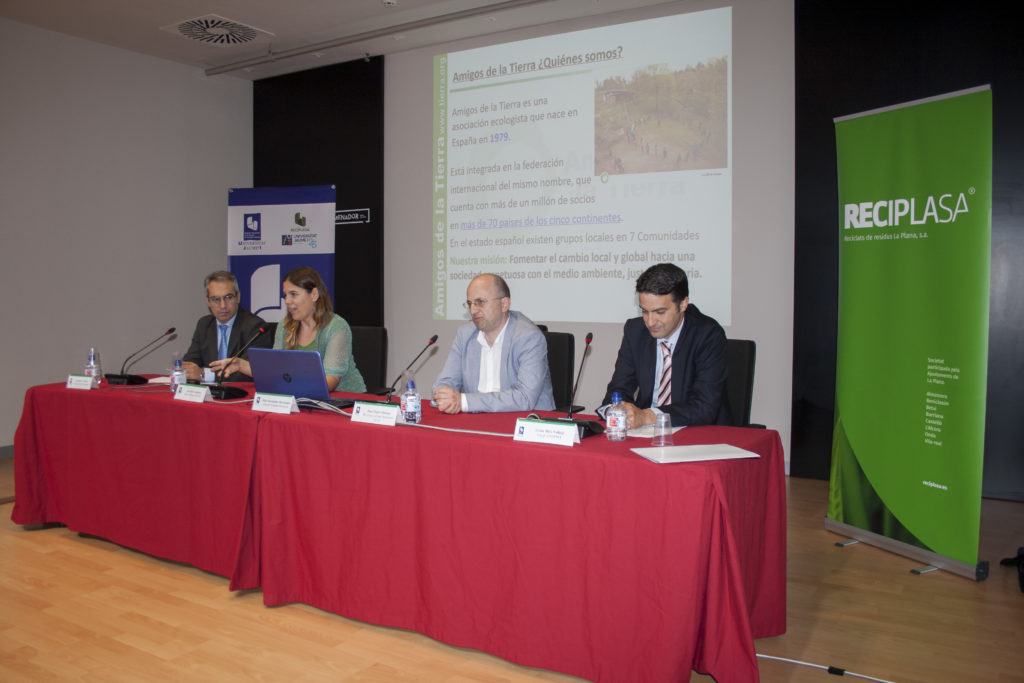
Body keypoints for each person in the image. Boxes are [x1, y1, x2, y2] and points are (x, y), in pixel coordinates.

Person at [601, 263, 730, 428]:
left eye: (660, 312)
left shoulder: (707, 334)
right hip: (645, 432)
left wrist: (648, 416)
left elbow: (704, 407)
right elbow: (618, 391)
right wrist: (616, 410)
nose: (650, 322)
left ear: (683, 304)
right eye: (644, 311)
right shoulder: (635, 331)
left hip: (698, 432)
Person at [211, 266, 366, 392]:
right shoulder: (285, 325)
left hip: (346, 401)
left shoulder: (336, 326)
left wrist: (288, 384)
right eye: (285, 295)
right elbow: (274, 371)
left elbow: (330, 381)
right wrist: (241, 365)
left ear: (314, 294)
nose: (287, 301)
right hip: (304, 398)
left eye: (293, 294)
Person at [432, 273, 555, 413]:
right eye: (470, 304)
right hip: (476, 419)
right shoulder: (465, 335)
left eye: (480, 302)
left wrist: (464, 402)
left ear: (504, 304)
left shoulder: (528, 338)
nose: (473, 310)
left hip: (526, 420)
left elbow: (525, 398)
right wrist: (444, 395)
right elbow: (444, 383)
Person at [182, 270, 272, 382]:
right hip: (208, 391)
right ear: (208, 302)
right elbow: (191, 363)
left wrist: (204, 375)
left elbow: (249, 371)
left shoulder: (255, 327)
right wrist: (187, 370)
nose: (223, 305)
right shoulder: (204, 324)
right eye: (216, 299)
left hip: (240, 391)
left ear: (238, 297)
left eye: (228, 297)